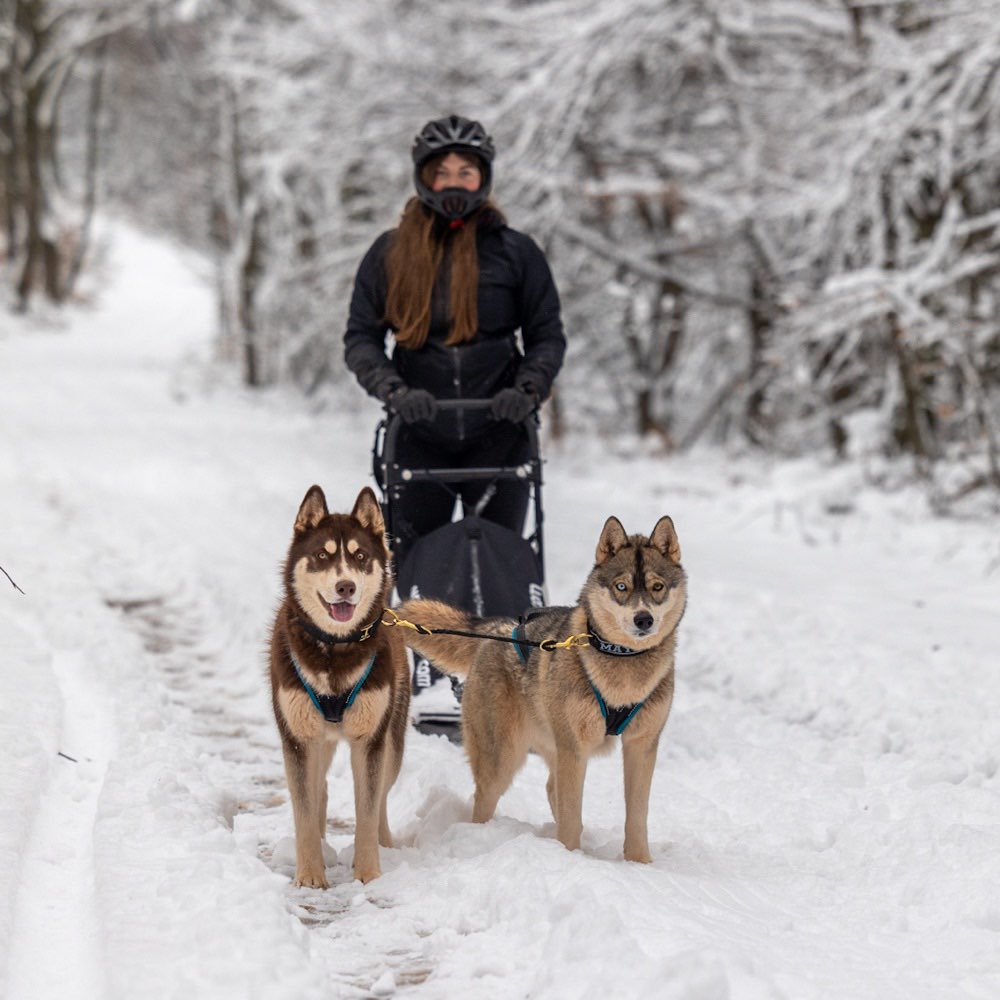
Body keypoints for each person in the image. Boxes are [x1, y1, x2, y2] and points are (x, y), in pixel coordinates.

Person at [343, 114, 566, 712]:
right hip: (420, 432)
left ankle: (508, 678)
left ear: (484, 178)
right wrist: (393, 389)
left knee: (501, 551)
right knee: (416, 556)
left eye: (466, 171)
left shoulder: (517, 254)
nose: (454, 182)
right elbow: (361, 339)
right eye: (441, 172)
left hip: (501, 431)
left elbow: (547, 336)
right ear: (422, 178)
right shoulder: (389, 254)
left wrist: (528, 387)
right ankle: (422, 669)